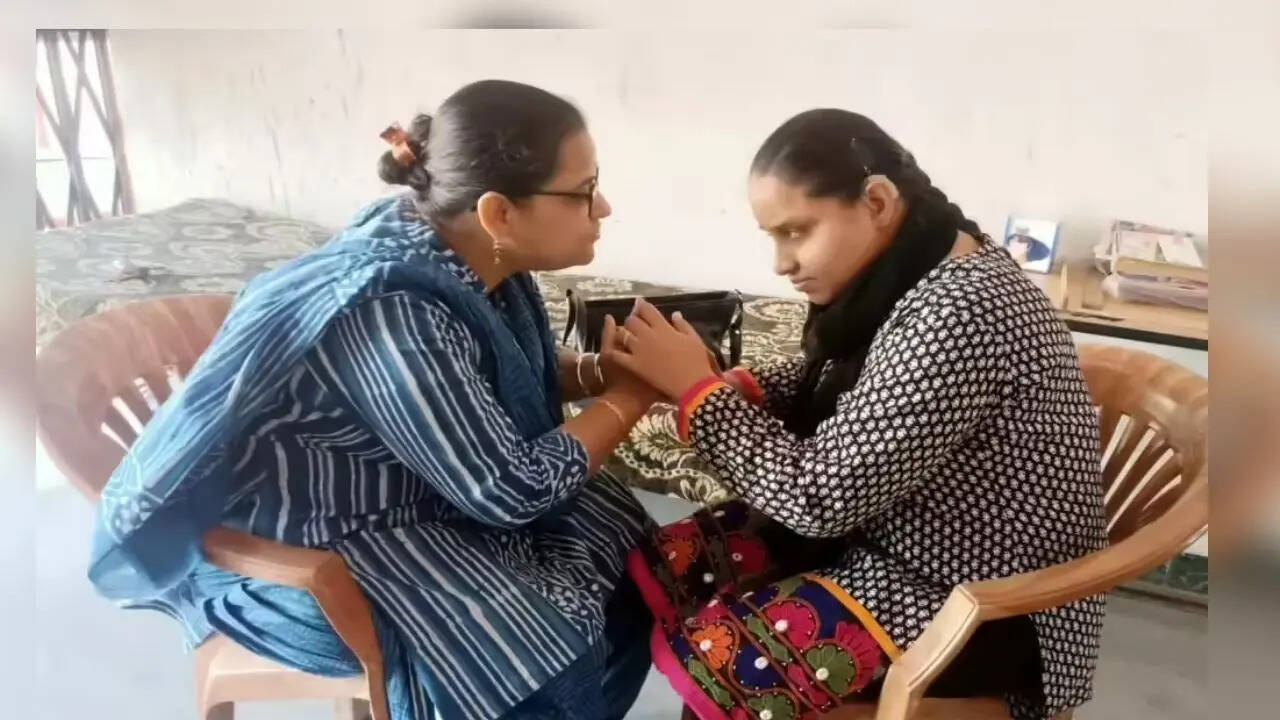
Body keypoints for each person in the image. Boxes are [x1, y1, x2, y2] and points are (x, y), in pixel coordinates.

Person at [89, 80, 659, 720]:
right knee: (535, 649)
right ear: (500, 213)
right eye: (583, 191)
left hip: (409, 488)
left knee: (635, 560)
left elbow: (494, 366)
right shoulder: (393, 309)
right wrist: (630, 397)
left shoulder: (466, 253)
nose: (603, 207)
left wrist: (596, 372)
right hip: (322, 543)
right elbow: (509, 491)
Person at [609, 109, 1108, 720]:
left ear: (876, 202)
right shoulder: (922, 267)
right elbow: (852, 383)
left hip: (986, 599)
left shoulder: (962, 310)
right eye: (772, 236)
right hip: (905, 537)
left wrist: (699, 395)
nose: (781, 262)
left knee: (732, 659)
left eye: (796, 231)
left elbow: (818, 499)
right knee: (674, 564)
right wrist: (737, 386)